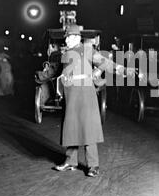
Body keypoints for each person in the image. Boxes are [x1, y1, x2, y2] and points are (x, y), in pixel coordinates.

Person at [54, 24, 134, 177]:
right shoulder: (64, 54)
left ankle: (93, 165)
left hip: (85, 94)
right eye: (66, 37)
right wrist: (41, 75)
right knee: (72, 127)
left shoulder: (88, 50)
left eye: (69, 37)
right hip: (71, 95)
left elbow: (105, 63)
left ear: (77, 37)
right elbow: (56, 71)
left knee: (88, 129)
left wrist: (122, 70)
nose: (66, 40)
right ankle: (70, 162)